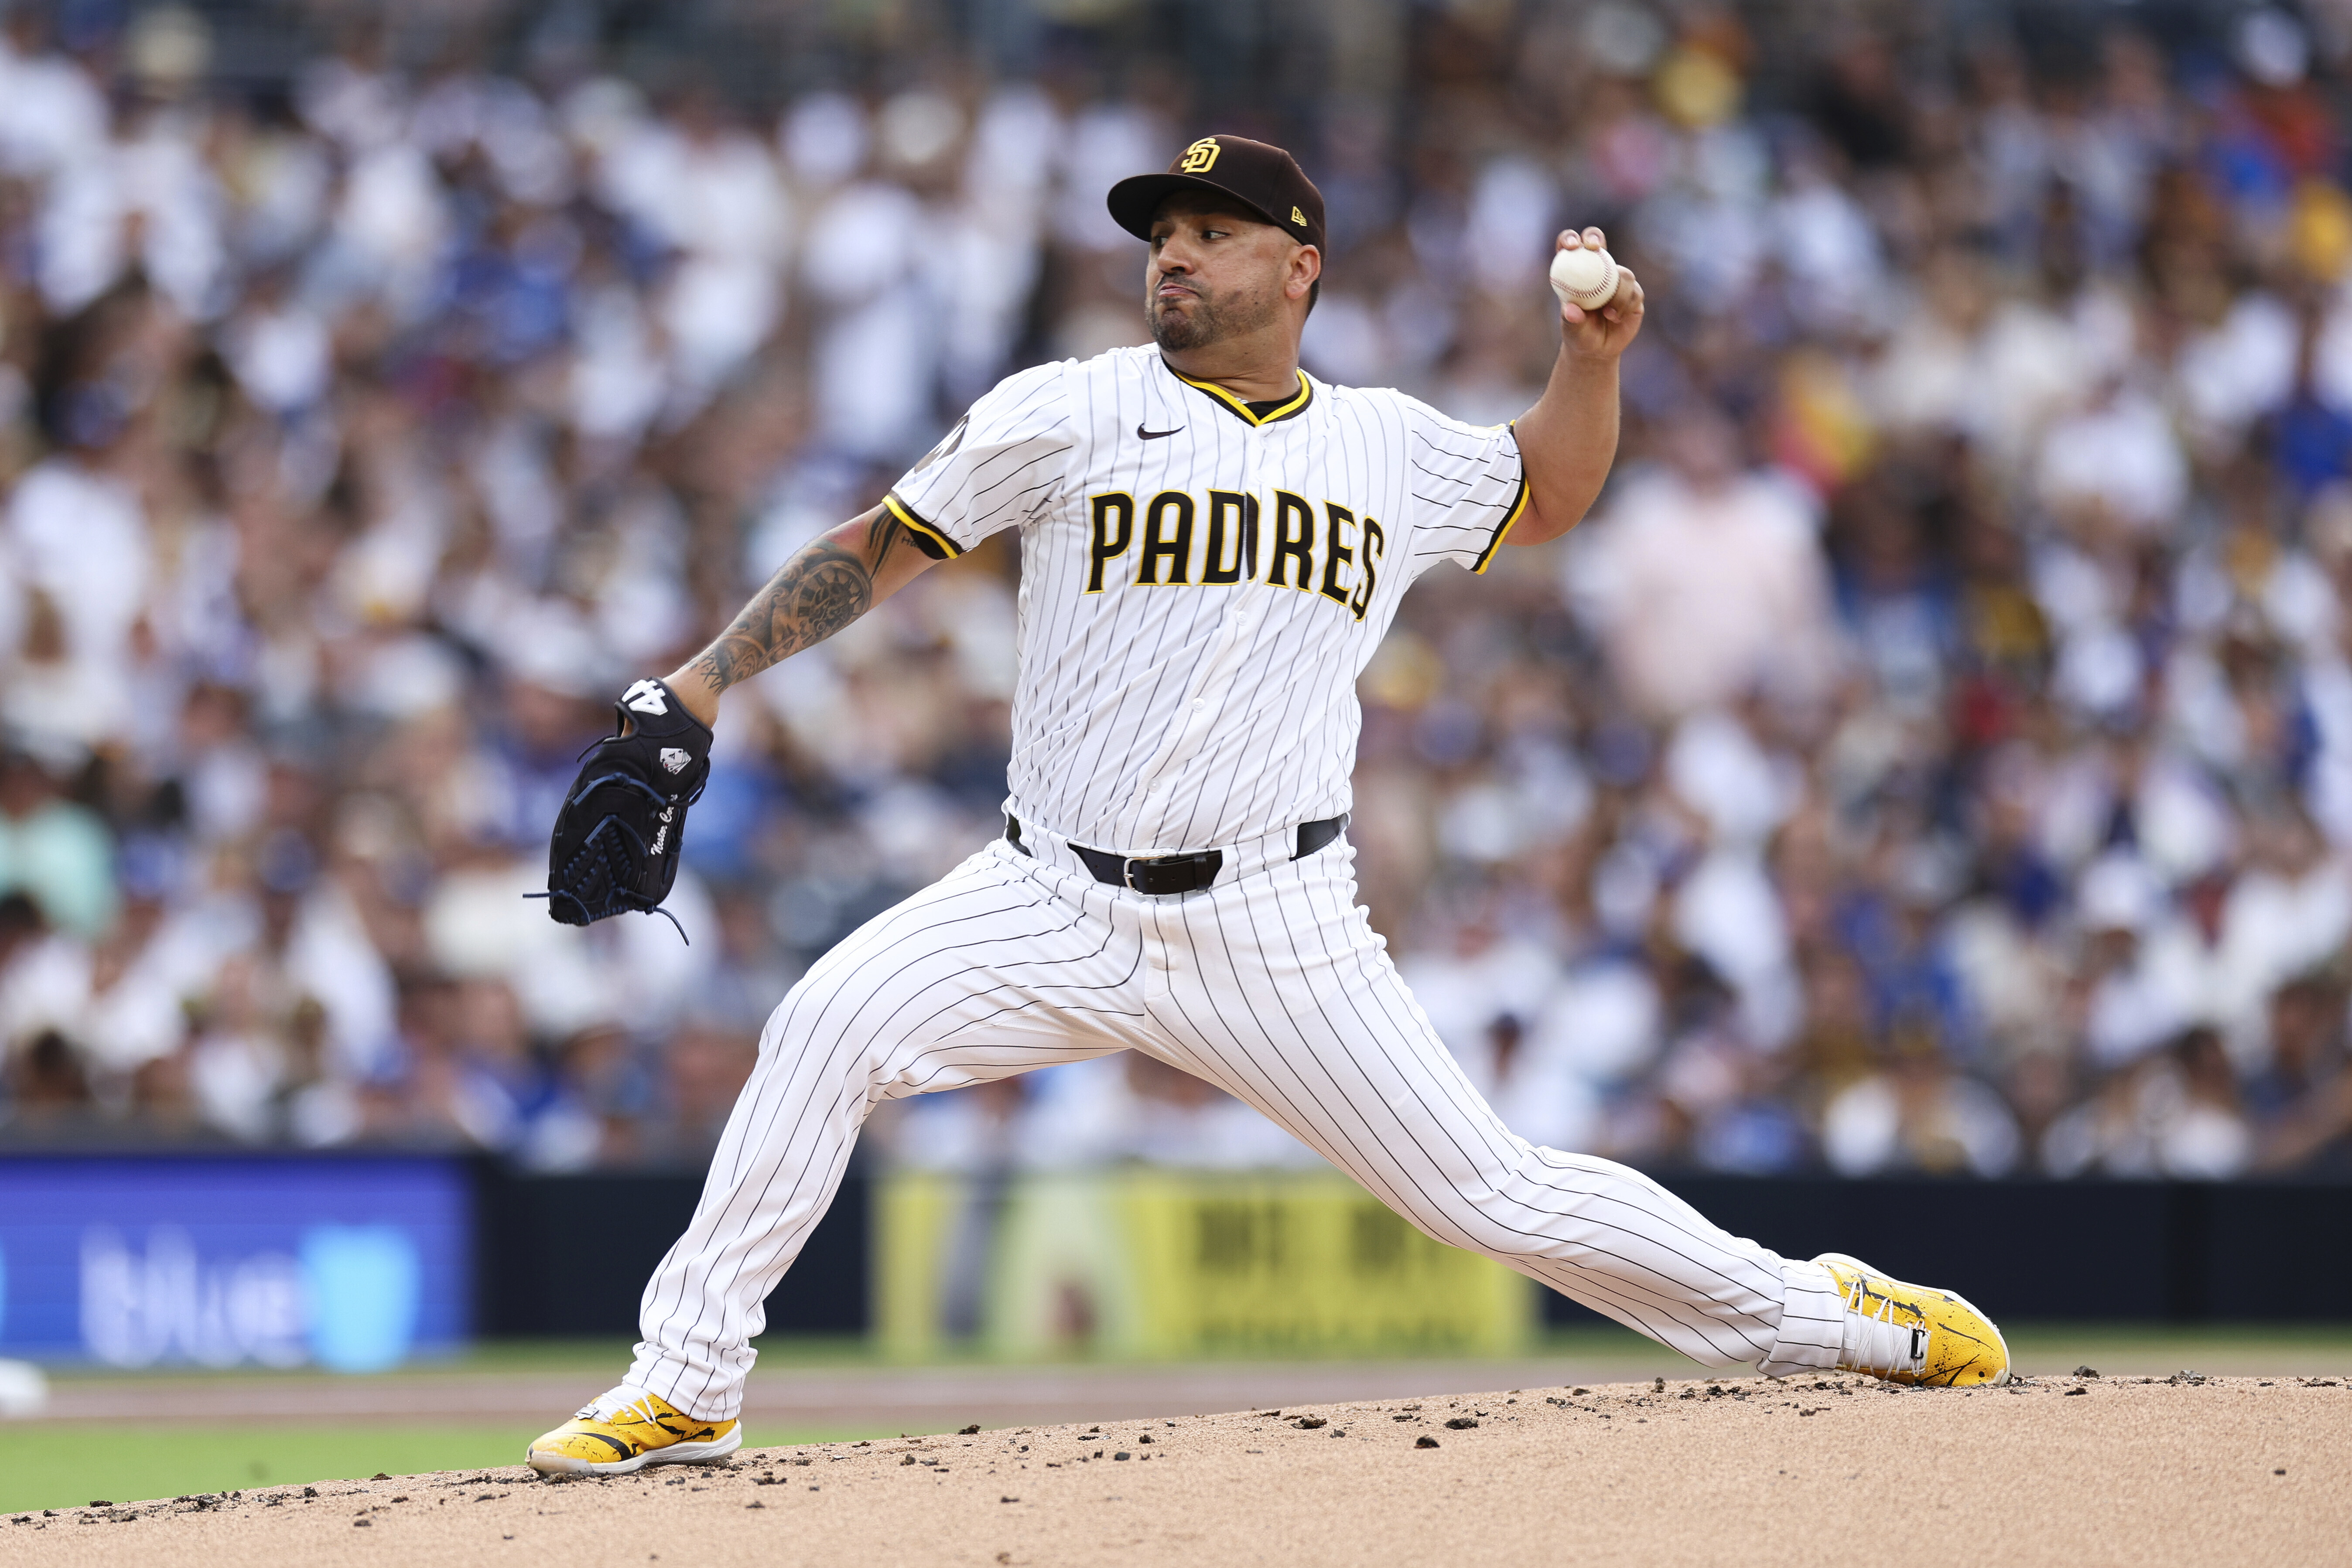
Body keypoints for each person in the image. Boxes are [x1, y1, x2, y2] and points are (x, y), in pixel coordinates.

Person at [526, 135, 2009, 1476]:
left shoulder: (1386, 444)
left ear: (1299, 266)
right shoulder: (1069, 408)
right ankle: (690, 1379)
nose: (1172, 251)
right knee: (824, 1024)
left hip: (1272, 918)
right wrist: (704, 682)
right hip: (1046, 892)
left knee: (1489, 1196)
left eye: (1213, 229)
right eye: (1161, 231)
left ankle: (1829, 1315)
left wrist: (1591, 360)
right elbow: (886, 542)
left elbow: (1546, 495)